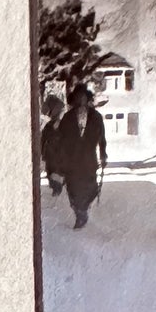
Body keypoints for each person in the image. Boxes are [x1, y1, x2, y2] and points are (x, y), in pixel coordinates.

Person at [52, 85, 106, 229]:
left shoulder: (96, 117)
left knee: (91, 188)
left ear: (87, 98)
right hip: (72, 160)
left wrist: (103, 154)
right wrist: (60, 159)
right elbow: (61, 140)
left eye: (83, 97)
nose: (80, 100)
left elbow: (102, 138)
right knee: (73, 189)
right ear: (74, 100)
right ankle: (80, 214)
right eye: (77, 97)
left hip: (89, 159)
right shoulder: (68, 118)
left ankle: (84, 208)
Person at [39, 95, 65, 196]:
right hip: (53, 152)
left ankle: (56, 186)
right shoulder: (49, 125)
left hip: (55, 152)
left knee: (54, 168)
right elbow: (43, 139)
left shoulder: (53, 124)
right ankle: (56, 186)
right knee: (53, 168)